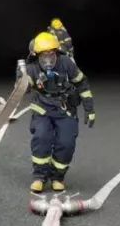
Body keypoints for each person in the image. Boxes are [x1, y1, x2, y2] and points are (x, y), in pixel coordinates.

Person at [26, 31, 95, 194]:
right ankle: (39, 177)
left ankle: (57, 177)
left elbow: (82, 84)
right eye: (44, 55)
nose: (48, 59)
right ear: (36, 55)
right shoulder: (31, 68)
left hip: (65, 108)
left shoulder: (66, 64)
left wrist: (89, 109)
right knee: (41, 137)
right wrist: (24, 82)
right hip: (42, 108)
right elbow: (23, 89)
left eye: (51, 54)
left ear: (56, 52)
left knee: (67, 142)